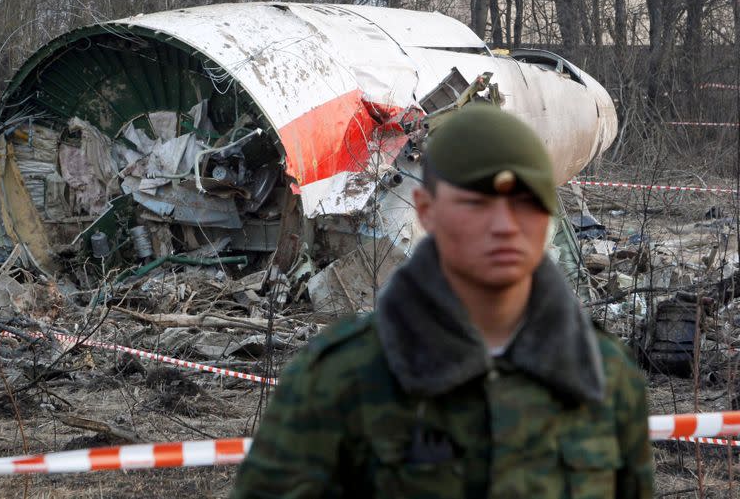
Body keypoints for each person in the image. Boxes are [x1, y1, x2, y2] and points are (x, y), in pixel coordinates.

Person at [231, 104, 653, 498]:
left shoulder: (604, 373)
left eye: (524, 203)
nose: (504, 226)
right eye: (476, 203)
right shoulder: (341, 379)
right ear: (427, 209)